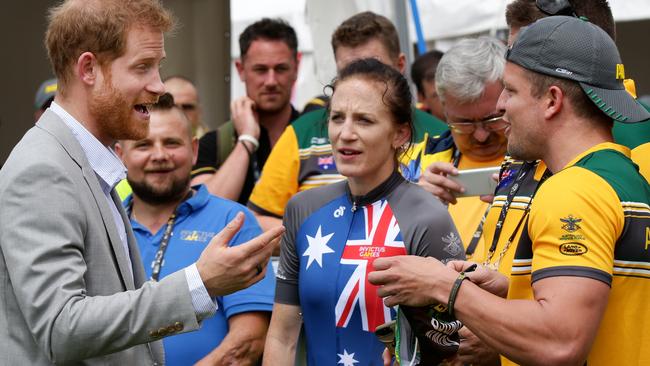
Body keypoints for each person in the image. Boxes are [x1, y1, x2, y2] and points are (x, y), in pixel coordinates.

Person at [0, 1, 282, 364]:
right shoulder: (44, 169)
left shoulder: (85, 164)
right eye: (143, 67)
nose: (159, 85)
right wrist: (200, 282)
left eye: (158, 66)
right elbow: (61, 327)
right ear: (89, 69)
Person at [369, 16, 650, 366]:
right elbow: (608, 301)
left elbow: (559, 343)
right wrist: (510, 287)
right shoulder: (624, 175)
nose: (500, 106)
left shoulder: (572, 190)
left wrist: (443, 285)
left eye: (511, 91)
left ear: (552, 100)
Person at [263, 58, 464, 366]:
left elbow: (450, 351)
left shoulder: (427, 217)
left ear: (400, 135)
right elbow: (282, 336)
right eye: (337, 118)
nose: (345, 133)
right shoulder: (303, 209)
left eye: (364, 120)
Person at [248, 11, 449, 232]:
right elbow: (256, 219)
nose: (360, 82)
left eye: (374, 69)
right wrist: (324, 237)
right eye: (349, 72)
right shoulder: (303, 132)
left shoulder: (441, 134)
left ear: (400, 64)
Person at [116, 93, 275, 365]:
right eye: (144, 145)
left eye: (172, 143)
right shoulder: (106, 224)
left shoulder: (232, 221)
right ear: (120, 156)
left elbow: (250, 340)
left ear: (194, 150)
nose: (159, 155)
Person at [403, 36, 507, 263]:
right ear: (444, 110)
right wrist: (410, 204)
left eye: (493, 119)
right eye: (464, 124)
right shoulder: (413, 162)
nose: (481, 135)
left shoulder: (545, 158)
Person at [192, 18, 301, 204]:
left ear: (296, 68)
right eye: (261, 70)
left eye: (281, 69)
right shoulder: (216, 144)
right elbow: (204, 213)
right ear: (240, 70)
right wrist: (247, 139)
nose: (271, 81)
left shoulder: (316, 135)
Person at [410, 49, 445, 121]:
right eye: (440, 95)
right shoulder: (416, 129)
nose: (450, 100)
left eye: (454, 90)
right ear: (422, 98)